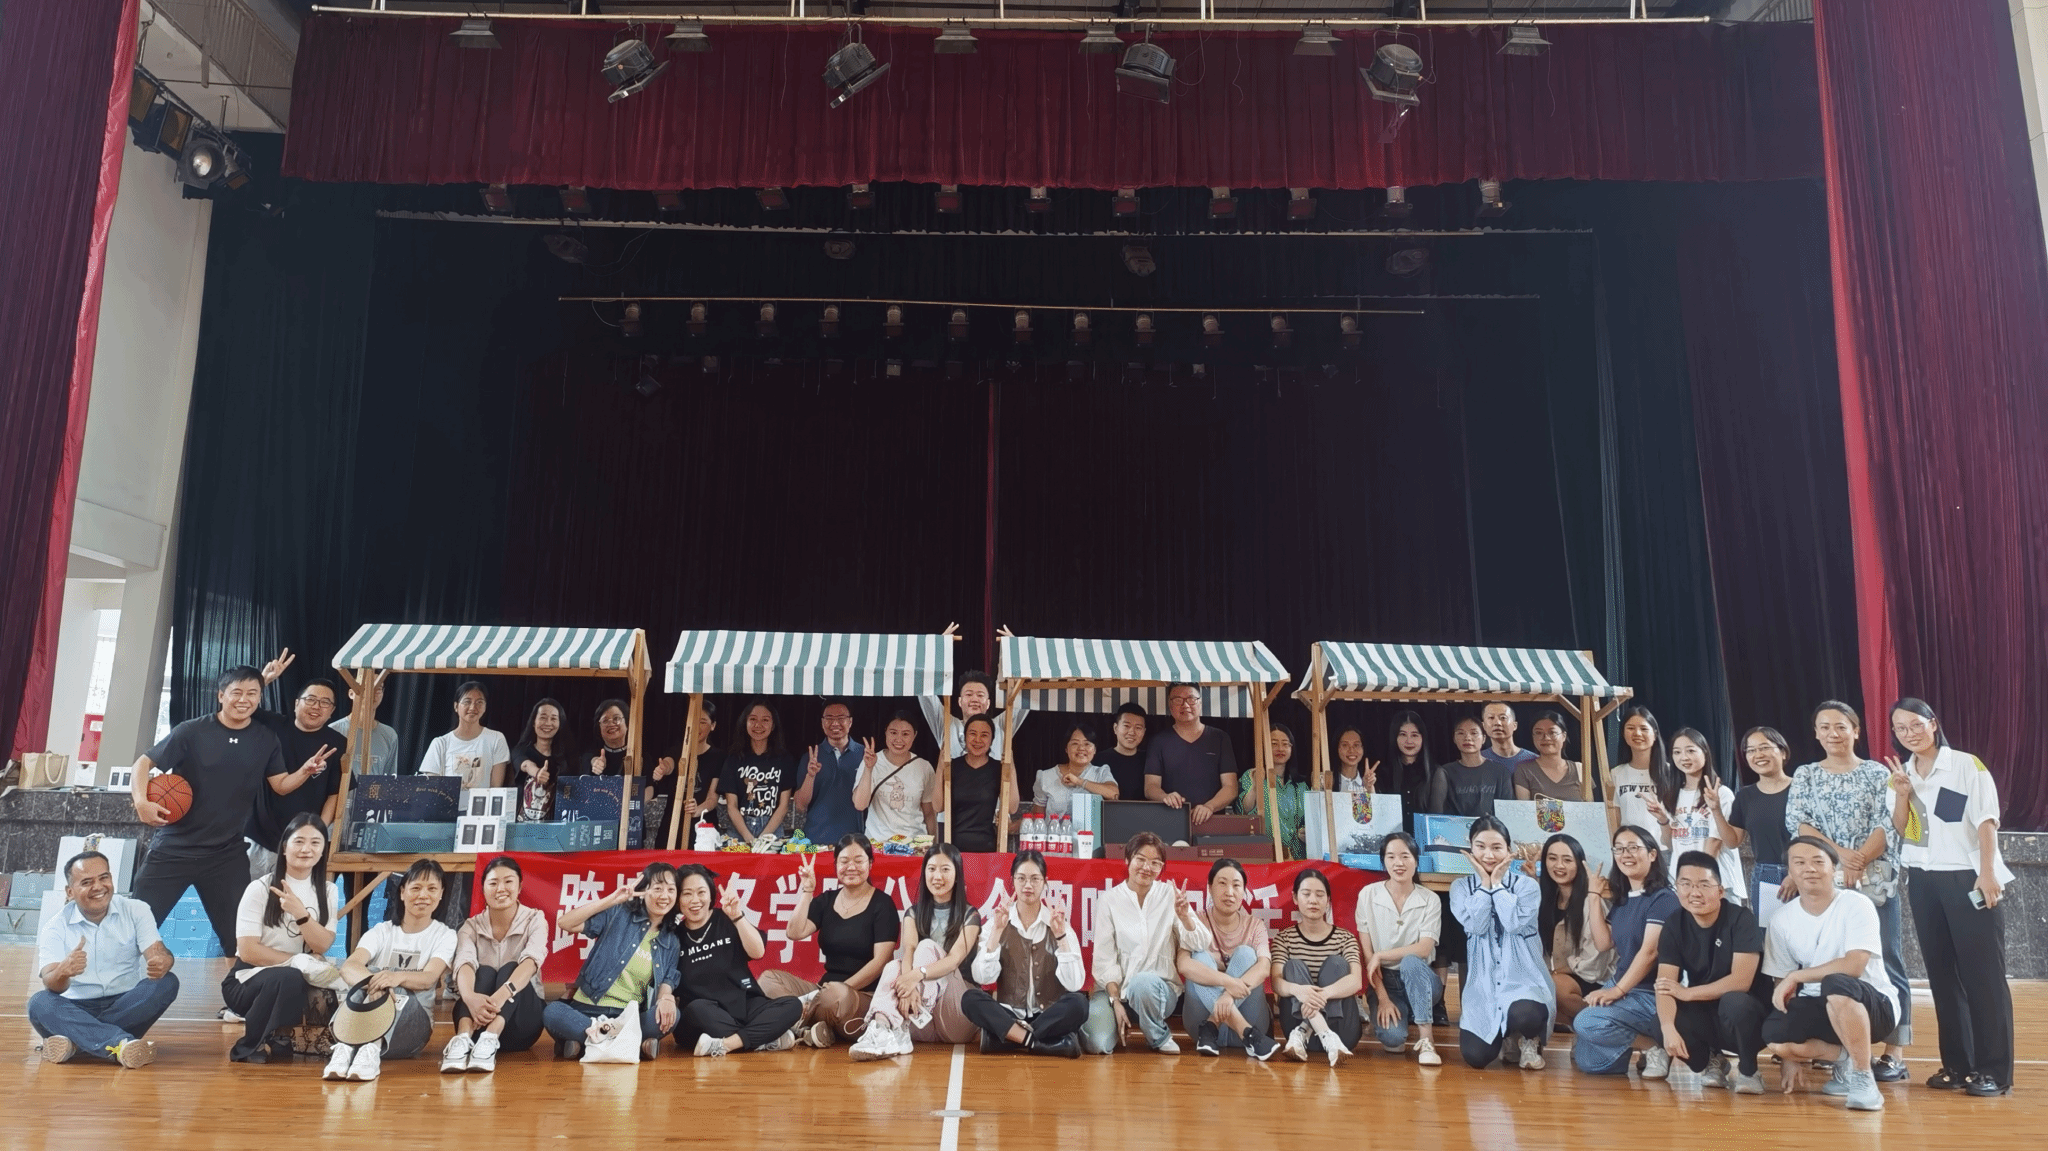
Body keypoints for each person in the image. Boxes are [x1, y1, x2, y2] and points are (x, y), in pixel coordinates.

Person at [131, 666, 320, 957]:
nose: (244, 700)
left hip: (225, 855)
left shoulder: (266, 739)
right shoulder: (191, 731)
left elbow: (280, 785)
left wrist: (305, 771)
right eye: (237, 693)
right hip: (173, 849)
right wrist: (141, 802)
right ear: (221, 696)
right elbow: (143, 763)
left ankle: (238, 988)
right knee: (134, 931)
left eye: (252, 693)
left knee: (241, 942)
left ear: (260, 698)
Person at [1885, 697, 2013, 1096]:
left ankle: (1994, 1071)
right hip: (1924, 881)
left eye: (1915, 724)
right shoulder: (1902, 773)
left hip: (1968, 877)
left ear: (1933, 723)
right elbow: (1902, 830)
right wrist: (1902, 794)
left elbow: (1987, 821)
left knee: (1983, 976)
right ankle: (1958, 1065)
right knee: (1942, 976)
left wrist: (1987, 874)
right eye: (1900, 728)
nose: (1909, 733)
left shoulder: (1966, 765)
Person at [1785, 699, 1912, 1077]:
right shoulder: (1806, 774)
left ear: (1856, 731)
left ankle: (1895, 1051)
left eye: (1841, 726)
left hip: (1874, 878)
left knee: (1885, 957)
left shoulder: (1876, 772)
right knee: (1832, 959)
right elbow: (1800, 824)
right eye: (1824, 727)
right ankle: (1843, 1045)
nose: (1833, 734)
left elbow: (1889, 823)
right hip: (1826, 879)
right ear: (1816, 733)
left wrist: (1860, 859)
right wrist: (1842, 857)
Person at [1761, 837, 1898, 1111]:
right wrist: (1791, 1058)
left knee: (1836, 985)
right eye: (1799, 862)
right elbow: (1781, 984)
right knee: (1776, 1036)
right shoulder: (1781, 920)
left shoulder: (1857, 904)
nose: (1809, 868)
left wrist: (1797, 976)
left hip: (1873, 1006)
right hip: (1822, 1005)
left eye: (1817, 861)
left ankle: (1863, 1078)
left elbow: (1854, 966)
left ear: (1833, 867)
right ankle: (1847, 1057)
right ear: (1789, 871)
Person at [31, 850, 178, 1068]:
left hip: (127, 1005)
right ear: (70, 892)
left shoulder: (136, 910)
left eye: (104, 878)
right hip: (74, 1008)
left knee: (167, 982)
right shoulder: (54, 927)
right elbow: (52, 984)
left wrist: (163, 961)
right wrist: (63, 971)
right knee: (39, 1003)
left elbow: (157, 952)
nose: (98, 887)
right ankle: (120, 1043)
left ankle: (77, 1043)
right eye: (87, 882)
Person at [221, 814, 340, 1064]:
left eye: (315, 843)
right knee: (288, 976)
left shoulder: (328, 890)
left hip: (298, 978)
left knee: (336, 983)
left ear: (323, 851)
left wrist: (301, 914)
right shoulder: (259, 888)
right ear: (284, 847)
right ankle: (249, 1045)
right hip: (247, 980)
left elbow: (322, 945)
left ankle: (283, 1036)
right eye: (299, 841)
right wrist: (296, 960)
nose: (306, 849)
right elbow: (248, 950)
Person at [324, 859, 456, 1081]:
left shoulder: (445, 935)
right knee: (371, 976)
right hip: (364, 1021)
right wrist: (378, 982)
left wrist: (394, 978)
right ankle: (346, 1048)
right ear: (402, 892)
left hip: (412, 1029)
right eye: (416, 888)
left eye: (432, 889)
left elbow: (428, 978)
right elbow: (349, 967)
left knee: (394, 980)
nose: (423, 895)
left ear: (441, 893)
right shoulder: (381, 931)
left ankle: (371, 1048)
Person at [761, 835, 899, 1047]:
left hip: (859, 995)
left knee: (836, 996)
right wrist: (807, 891)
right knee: (768, 980)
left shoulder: (882, 904)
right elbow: (794, 932)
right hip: (824, 991)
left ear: (870, 863)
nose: (851, 867)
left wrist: (832, 991)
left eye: (858, 861)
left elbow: (880, 962)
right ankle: (816, 1029)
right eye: (844, 861)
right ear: (835, 865)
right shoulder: (827, 900)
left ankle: (796, 1023)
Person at [1083, 831, 1213, 1054]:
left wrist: (1184, 917)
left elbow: (1201, 942)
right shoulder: (1109, 900)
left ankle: (1158, 1035)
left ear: (1162, 867)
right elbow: (1104, 960)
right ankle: (1116, 1021)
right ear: (1128, 860)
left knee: (1142, 983)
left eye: (1155, 863)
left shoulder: (1169, 895)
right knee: (1096, 1044)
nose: (1147, 867)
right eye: (1140, 859)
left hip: (1158, 992)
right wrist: (1115, 1002)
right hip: (1117, 993)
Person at [848, 843, 982, 1059]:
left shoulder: (970, 915)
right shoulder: (913, 913)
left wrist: (915, 977)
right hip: (921, 1020)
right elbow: (908, 950)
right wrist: (908, 986)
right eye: (931, 869)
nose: (937, 876)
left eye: (945, 869)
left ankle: (900, 1015)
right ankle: (881, 1029)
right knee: (894, 965)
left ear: (957, 875)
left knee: (926, 947)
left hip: (957, 1016)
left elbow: (954, 960)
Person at [543, 862, 684, 1062]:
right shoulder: (619, 914)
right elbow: (566, 923)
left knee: (673, 1015)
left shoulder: (671, 941)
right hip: (586, 1010)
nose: (664, 896)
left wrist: (666, 1000)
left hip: (628, 1017)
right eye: (657, 888)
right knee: (553, 1012)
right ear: (643, 891)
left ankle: (589, 1041)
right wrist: (611, 900)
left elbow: (666, 984)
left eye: (671, 890)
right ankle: (626, 1043)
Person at [1655, 850, 1768, 1093]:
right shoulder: (1674, 924)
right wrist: (1667, 1029)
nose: (1694, 892)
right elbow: (1665, 985)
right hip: (1706, 1012)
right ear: (1677, 888)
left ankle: (1749, 1070)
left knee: (1734, 1002)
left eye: (1704, 885)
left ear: (1720, 891)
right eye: (1686, 884)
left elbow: (1741, 981)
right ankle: (1711, 1062)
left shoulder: (1741, 919)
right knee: (1663, 1016)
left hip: (1748, 1017)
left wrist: (1687, 993)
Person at [1570, 825, 1678, 1077]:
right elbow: (1603, 943)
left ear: (1652, 854)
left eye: (1633, 848)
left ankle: (1654, 1047)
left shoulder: (1664, 899)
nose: (1625, 854)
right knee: (1589, 1062)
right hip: (1624, 986)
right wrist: (1593, 896)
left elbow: (1649, 953)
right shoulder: (1626, 899)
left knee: (1585, 1022)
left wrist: (1616, 991)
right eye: (1619, 849)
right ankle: (1640, 1045)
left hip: (1651, 993)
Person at [1450, 816, 1554, 1069]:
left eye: (1497, 847)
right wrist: (1484, 886)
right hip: (1484, 986)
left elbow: (1512, 923)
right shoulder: (1460, 887)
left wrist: (1496, 885)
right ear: (1471, 848)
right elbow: (1476, 926)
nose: (1488, 855)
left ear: (1509, 850)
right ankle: (1507, 1036)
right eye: (1480, 846)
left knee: (1525, 1014)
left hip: (1523, 980)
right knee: (1476, 1057)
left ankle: (1527, 1039)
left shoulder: (1527, 886)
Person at [961, 850, 1088, 1056]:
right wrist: (996, 933)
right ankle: (1041, 1043)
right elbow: (982, 978)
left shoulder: (1057, 924)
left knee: (1080, 1004)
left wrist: (1061, 938)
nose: (1028, 885)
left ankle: (1010, 1039)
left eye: (1035, 879)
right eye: (1021, 878)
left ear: (1045, 882)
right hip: (1010, 1014)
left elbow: (1074, 984)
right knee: (970, 998)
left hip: (1048, 1015)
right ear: (1013, 881)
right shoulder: (997, 922)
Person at [670, 864, 803, 1057]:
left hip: (743, 1004)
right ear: (678, 899)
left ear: (711, 894)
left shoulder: (727, 918)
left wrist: (737, 916)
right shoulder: (673, 936)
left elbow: (758, 952)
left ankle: (728, 1044)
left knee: (793, 1005)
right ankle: (765, 1038)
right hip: (706, 1015)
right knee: (696, 1011)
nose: (695, 900)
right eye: (687, 894)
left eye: (701, 892)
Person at [441, 855, 548, 1072]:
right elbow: (464, 963)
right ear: (483, 889)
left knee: (510, 968)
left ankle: (490, 1038)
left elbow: (531, 962)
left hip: (521, 1025)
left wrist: (499, 998)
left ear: (519, 887)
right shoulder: (470, 927)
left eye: (508, 881)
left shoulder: (535, 919)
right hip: (476, 1020)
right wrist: (470, 999)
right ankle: (462, 1040)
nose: (501, 889)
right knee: (484, 972)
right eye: (493, 883)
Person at [247, 661, 349, 876]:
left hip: (302, 843)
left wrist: (319, 830)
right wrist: (264, 680)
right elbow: (242, 706)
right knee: (252, 895)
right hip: (260, 837)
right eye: (310, 699)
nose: (316, 706)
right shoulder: (273, 725)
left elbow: (335, 793)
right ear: (296, 704)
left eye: (325, 703)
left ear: (332, 711)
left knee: (295, 896)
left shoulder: (337, 743)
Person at [1178, 858, 1277, 1059]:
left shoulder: (1255, 925)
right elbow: (1183, 964)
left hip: (1245, 1019)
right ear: (1210, 888)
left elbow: (1264, 967)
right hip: (1201, 1023)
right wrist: (1227, 982)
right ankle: (1246, 1032)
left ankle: (1212, 1025)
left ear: (1244, 892)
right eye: (1222, 883)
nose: (1229, 892)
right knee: (1199, 956)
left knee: (1246, 954)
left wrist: (1228, 996)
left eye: (1236, 885)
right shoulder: (1195, 921)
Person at [1357, 832, 1442, 1063]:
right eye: (1391, 857)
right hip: (1385, 981)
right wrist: (1383, 998)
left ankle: (1426, 1039)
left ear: (1416, 860)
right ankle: (1405, 1013)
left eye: (1405, 856)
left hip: (1421, 977)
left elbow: (1424, 949)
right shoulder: (1368, 895)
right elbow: (1368, 958)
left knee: (1411, 961)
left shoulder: (1430, 899)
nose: (1399, 863)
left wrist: (1381, 955)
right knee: (1393, 1040)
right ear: (1383, 861)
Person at [1271, 867, 1367, 1066]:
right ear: (1295, 898)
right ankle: (1324, 1035)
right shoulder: (1284, 938)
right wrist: (1299, 990)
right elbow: (1276, 983)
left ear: (1328, 900)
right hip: (1297, 1035)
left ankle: (1308, 1029)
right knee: (1293, 966)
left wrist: (1323, 994)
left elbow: (1356, 981)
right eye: (1306, 894)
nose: (1313, 900)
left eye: (1320, 895)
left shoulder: (1345, 938)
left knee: (1337, 964)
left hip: (1341, 1032)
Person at [1652, 729, 1744, 901]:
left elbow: (1714, 843)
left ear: (1705, 752)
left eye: (1690, 750)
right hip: (1682, 884)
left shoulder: (1721, 794)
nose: (1684, 757)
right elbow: (1672, 845)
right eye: (1677, 752)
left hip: (1715, 882)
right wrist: (1663, 820)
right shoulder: (1671, 795)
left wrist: (1697, 881)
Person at [1536, 833, 1613, 1025]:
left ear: (1579, 864)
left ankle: (1602, 1023)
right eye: (1552, 858)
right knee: (1536, 994)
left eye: (1567, 860)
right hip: (1566, 976)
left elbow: (1596, 964)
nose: (1559, 865)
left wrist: (1555, 972)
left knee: (1555, 988)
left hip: (1595, 978)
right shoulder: (1546, 900)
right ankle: (1581, 1028)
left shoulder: (1591, 902)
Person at [1143, 683, 1239, 826]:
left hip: (1212, 821)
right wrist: (1165, 797)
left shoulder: (1220, 738)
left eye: (1191, 699)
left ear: (1200, 703)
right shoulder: (1158, 741)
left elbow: (1230, 787)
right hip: (1170, 821)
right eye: (1178, 700)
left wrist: (1209, 807)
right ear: (1170, 705)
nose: (1185, 705)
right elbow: (1150, 786)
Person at [1725, 727, 1795, 912]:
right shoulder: (1745, 796)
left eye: (1764, 747)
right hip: (1766, 874)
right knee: (1770, 930)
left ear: (1783, 752)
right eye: (1751, 750)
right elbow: (1732, 841)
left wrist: (1796, 873)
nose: (1758, 755)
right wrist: (1716, 810)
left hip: (1804, 872)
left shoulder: (1801, 788)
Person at [721, 700, 797, 845]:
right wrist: (748, 837)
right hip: (739, 830)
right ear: (745, 722)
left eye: (765, 720)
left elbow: (783, 806)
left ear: (773, 725)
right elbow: (731, 806)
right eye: (753, 719)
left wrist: (763, 838)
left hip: (772, 830)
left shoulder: (784, 759)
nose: (758, 725)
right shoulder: (733, 759)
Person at [854, 711, 938, 841]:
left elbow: (930, 814)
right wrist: (869, 769)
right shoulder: (871, 761)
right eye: (893, 733)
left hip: (913, 844)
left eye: (905, 734)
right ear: (886, 732)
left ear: (914, 735)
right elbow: (860, 805)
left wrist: (934, 845)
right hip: (879, 844)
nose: (899, 739)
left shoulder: (924, 767)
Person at [794, 699, 865, 845]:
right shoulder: (811, 757)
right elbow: (800, 806)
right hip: (816, 840)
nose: (835, 723)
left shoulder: (865, 755)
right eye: (829, 718)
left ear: (850, 721)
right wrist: (810, 775)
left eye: (841, 718)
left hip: (855, 841)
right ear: (822, 722)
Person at [920, 665, 1027, 762]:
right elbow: (925, 691)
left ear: (988, 703)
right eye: (969, 694)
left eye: (980, 695)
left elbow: (1026, 698)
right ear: (960, 701)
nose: (974, 699)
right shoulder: (947, 724)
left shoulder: (1001, 725)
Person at [418, 681, 510, 789]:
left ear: (485, 707)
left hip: (482, 800)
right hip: (448, 800)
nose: (473, 707)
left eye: (479, 702)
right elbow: (431, 788)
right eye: (467, 702)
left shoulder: (496, 739)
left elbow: (496, 788)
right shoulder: (440, 743)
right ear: (456, 706)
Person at [1236, 723, 1308, 862]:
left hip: (1295, 857)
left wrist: (1305, 831)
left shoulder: (1300, 784)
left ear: (1292, 748)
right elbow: (1244, 810)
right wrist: (1256, 785)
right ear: (1263, 747)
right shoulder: (1251, 775)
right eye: (1274, 744)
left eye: (1285, 744)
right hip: (1261, 854)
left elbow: (1309, 820)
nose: (1280, 748)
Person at [945, 715, 1016, 853]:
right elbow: (937, 805)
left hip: (987, 848)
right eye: (972, 733)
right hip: (954, 848)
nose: (977, 740)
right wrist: (940, 767)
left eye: (984, 735)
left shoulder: (998, 769)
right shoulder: (952, 766)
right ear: (965, 736)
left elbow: (1012, 807)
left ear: (992, 740)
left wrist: (1011, 769)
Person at [648, 700, 722, 829]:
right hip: (673, 824)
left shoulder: (718, 757)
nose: (697, 726)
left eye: (703, 722)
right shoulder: (676, 751)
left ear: (713, 725)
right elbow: (669, 763)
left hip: (703, 826)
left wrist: (697, 810)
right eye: (693, 720)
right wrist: (662, 769)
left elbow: (712, 798)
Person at [1426, 716, 1514, 818]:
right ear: (1454, 739)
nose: (1467, 738)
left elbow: (1508, 813)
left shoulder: (1500, 772)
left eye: (1474, 733)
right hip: (1454, 827)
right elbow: (1436, 814)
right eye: (1461, 733)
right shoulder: (1444, 772)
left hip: (1491, 827)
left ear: (1484, 738)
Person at [1610, 706, 1675, 838]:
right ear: (1623, 733)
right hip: (1629, 846)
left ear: (1655, 734)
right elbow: (1615, 817)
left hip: (1664, 846)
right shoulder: (1616, 773)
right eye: (1630, 728)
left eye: (1644, 729)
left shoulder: (1671, 772)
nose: (1637, 733)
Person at [1032, 721, 1119, 817]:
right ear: (1066, 749)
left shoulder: (1101, 772)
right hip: (1054, 827)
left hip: (1091, 828)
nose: (1081, 748)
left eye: (1087, 744)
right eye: (1075, 743)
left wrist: (1079, 782)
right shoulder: (1046, 776)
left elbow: (1113, 794)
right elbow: (1037, 816)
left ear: (1094, 750)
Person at [586, 698, 676, 786]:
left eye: (616, 719)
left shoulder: (641, 756)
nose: (611, 724)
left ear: (627, 724)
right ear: (599, 727)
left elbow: (649, 788)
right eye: (605, 720)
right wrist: (595, 763)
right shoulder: (591, 755)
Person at [511, 698, 573, 823]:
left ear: (560, 724)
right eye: (543, 718)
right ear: (534, 722)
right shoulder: (521, 750)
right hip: (520, 827)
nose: (548, 723)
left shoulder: (567, 759)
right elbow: (525, 764)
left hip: (554, 829)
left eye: (553, 719)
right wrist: (537, 772)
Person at [330, 670, 400, 775]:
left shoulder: (389, 735)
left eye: (378, 688)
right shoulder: (333, 730)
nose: (371, 693)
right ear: (351, 693)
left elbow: (389, 778)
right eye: (365, 687)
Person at [1512, 712, 1584, 801]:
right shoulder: (1524, 771)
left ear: (1564, 736)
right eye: (1539, 733)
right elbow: (1523, 808)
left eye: (1552, 732)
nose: (1546, 737)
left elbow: (1590, 807)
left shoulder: (1580, 769)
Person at [1385, 710, 1435, 819]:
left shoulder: (1436, 774)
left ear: (1422, 738)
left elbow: (1436, 820)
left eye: (1414, 735)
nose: (1409, 741)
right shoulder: (1384, 773)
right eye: (1403, 734)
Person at [1102, 702, 1151, 800]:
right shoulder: (1099, 760)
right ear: (1115, 728)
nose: (1132, 732)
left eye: (1138, 728)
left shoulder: (1150, 760)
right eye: (1126, 726)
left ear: (1144, 732)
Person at [1480, 702, 1537, 771]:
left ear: (1515, 725)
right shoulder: (1478, 760)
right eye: (1491, 718)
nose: (1497, 723)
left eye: (1503, 718)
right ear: (1484, 726)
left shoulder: (1533, 760)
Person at [1332, 727, 1375, 793]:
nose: (1351, 750)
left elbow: (1367, 800)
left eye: (1356, 745)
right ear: (1337, 748)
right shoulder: (1328, 780)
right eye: (1345, 745)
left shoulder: (1370, 781)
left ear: (1363, 748)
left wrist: (1368, 790)